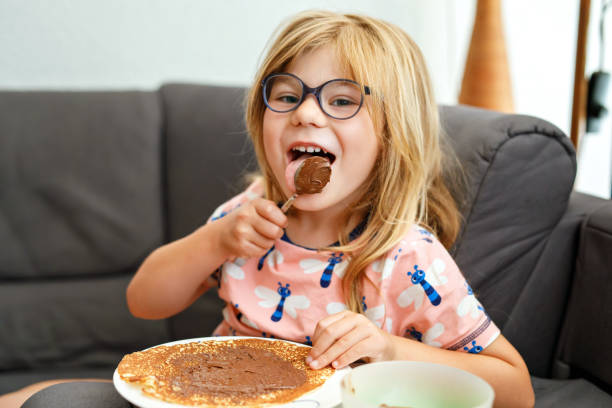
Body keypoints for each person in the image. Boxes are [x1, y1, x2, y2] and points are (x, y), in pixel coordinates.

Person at [11, 10, 534, 408]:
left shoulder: (405, 258)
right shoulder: (248, 215)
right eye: (286, 95)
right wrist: (213, 242)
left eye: (342, 100)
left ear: (392, 135)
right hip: (216, 396)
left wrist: (389, 350)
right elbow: (143, 300)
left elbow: (516, 388)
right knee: (40, 395)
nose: (306, 112)